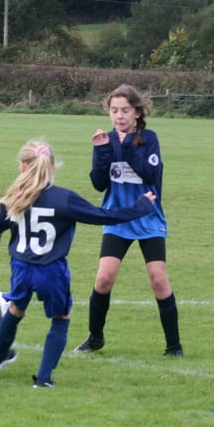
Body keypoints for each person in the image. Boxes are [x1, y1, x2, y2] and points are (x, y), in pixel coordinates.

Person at [0, 140, 157, 388]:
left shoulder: (13, 197)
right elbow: (103, 216)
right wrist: (140, 206)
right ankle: (43, 379)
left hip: (20, 267)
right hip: (51, 269)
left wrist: (3, 225)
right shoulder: (63, 199)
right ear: (52, 167)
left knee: (16, 308)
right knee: (61, 317)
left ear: (22, 166)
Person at [74, 84, 183, 357]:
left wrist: (126, 146)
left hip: (148, 217)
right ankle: (95, 337)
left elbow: (150, 175)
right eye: (114, 110)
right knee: (104, 279)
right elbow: (99, 184)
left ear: (136, 112)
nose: (119, 116)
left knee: (158, 279)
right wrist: (101, 152)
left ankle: (174, 346)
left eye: (125, 110)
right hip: (117, 218)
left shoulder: (149, 139)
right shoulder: (106, 139)